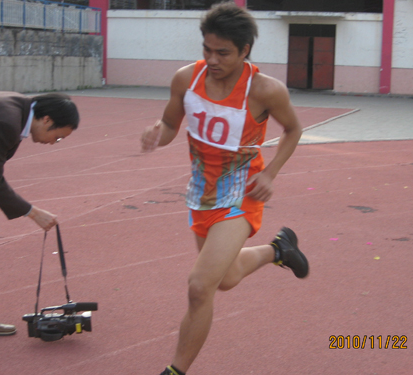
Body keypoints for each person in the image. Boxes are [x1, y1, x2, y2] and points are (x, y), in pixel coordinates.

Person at [140, 3, 308, 374]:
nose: (212, 59)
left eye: (223, 52)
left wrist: (271, 173)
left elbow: (293, 130)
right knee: (227, 279)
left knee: (200, 286)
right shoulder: (186, 79)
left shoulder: (265, 91)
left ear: (245, 50)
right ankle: (278, 249)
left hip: (241, 195)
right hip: (201, 195)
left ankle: (175, 370)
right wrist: (157, 132)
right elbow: (170, 124)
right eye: (206, 49)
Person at [0, 92, 79, 335]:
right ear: (46, 120)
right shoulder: (6, 122)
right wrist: (33, 213)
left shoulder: (17, 111)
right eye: (58, 137)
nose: (54, 142)